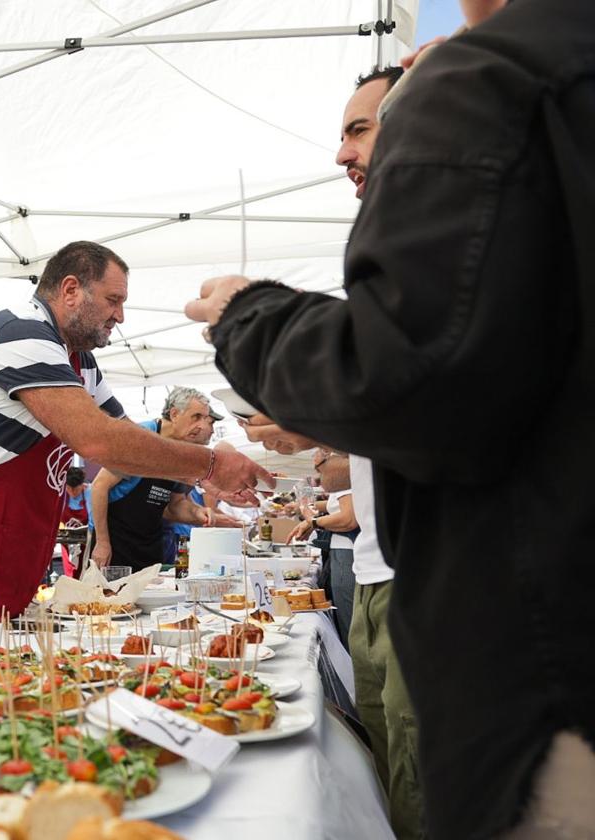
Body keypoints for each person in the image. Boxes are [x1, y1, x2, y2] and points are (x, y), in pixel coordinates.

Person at [186, 1, 595, 836]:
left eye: (366, 129)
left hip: (542, 663)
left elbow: (408, 381)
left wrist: (246, 315)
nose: (344, 153)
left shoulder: (493, 75)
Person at [0, 241, 272, 646]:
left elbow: (130, 439)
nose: (121, 315)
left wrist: (206, 480)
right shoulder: (21, 331)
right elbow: (98, 440)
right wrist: (209, 465)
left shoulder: (79, 362)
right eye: (113, 300)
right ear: (70, 290)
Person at [89, 387, 239, 572]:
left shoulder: (184, 452)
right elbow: (99, 487)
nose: (202, 425)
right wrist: (102, 543)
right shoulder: (141, 437)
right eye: (196, 417)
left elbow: (175, 505)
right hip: (115, 539)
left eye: (205, 419)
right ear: (175, 414)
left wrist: (197, 513)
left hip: (150, 542)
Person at [288, 449, 357, 643]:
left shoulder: (343, 475)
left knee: (349, 622)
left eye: (319, 468)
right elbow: (335, 505)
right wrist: (305, 508)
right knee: (346, 619)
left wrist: (314, 522)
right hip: (344, 551)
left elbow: (348, 518)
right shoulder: (345, 477)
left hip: (347, 552)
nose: (319, 475)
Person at [59, 465, 91, 577]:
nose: (72, 492)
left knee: (86, 574)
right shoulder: (61, 495)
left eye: (76, 489)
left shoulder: (90, 493)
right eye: (68, 488)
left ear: (82, 485)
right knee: (70, 575)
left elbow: (93, 518)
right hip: (67, 543)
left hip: (87, 543)